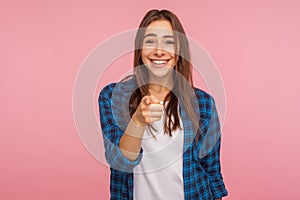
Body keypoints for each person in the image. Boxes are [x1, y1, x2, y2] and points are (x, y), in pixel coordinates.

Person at [98, 9, 228, 200]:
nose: (159, 50)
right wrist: (138, 121)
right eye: (150, 41)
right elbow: (120, 162)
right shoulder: (113, 97)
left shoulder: (203, 104)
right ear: (139, 49)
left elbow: (212, 173)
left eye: (169, 42)